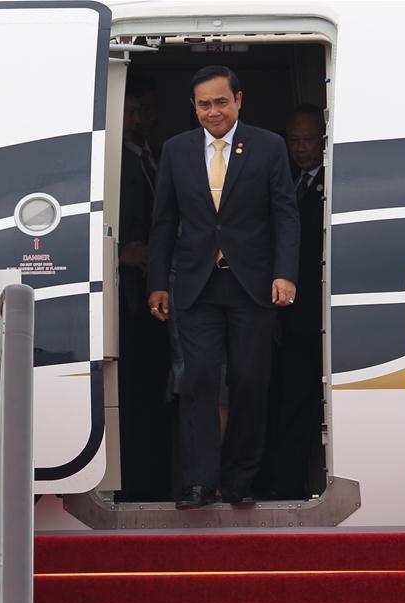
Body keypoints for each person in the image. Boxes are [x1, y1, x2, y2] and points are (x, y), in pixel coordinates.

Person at [146, 66, 300, 509]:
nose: (213, 112)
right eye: (203, 104)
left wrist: (284, 272)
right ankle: (198, 483)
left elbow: (285, 215)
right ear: (193, 107)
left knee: (250, 382)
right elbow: (164, 223)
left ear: (238, 101)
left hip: (252, 285)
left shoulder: (268, 146)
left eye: (221, 102)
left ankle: (239, 482)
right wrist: (158, 282)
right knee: (198, 381)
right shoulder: (176, 151)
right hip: (195, 286)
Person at [259, 104, 327, 499]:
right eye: (294, 140)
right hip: (289, 315)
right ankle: (285, 482)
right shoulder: (289, 183)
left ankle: (296, 482)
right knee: (288, 400)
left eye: (308, 140)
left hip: (317, 314)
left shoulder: (329, 187)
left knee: (305, 401)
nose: (301, 148)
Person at [117, 83, 173, 501]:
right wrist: (119, 255)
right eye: (129, 112)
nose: (137, 120)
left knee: (157, 392)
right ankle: (133, 485)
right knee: (132, 394)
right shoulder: (114, 163)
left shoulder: (149, 157)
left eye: (141, 112)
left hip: (156, 293)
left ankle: (154, 482)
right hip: (125, 298)